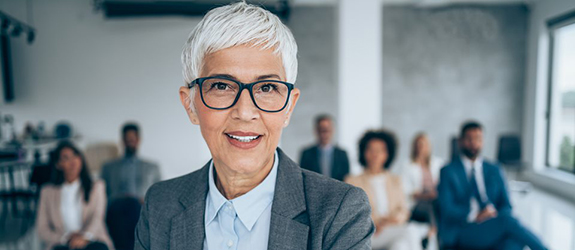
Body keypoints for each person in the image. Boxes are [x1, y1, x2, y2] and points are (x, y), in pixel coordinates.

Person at [134, 2, 374, 250]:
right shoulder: (160, 205)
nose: (245, 112)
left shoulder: (339, 211)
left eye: (267, 88)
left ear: (289, 107)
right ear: (190, 105)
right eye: (221, 86)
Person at [437, 121, 547, 250]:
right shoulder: (448, 171)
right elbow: (447, 209)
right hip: (463, 228)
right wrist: (475, 214)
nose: (473, 143)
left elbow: (506, 205)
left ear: (483, 141)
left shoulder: (494, 169)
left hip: (493, 224)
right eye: (469, 139)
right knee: (508, 222)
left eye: (478, 139)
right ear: (460, 141)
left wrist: (493, 216)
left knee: (514, 243)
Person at [346, 130, 421, 250]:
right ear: (364, 152)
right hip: (369, 233)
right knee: (411, 230)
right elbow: (351, 214)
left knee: (400, 246)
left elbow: (403, 210)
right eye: (371, 150)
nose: (375, 154)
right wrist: (377, 223)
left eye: (380, 150)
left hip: (392, 228)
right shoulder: (352, 181)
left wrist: (390, 221)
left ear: (387, 154)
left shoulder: (395, 180)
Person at [36, 141, 113, 250]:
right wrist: (65, 238)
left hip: (92, 240)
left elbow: (97, 217)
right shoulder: (47, 191)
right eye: (66, 158)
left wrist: (84, 237)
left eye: (75, 155)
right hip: (62, 243)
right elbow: (42, 229)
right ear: (58, 164)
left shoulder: (97, 186)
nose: (73, 161)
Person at [400, 133, 444, 247]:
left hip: (436, 199)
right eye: (418, 145)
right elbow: (407, 191)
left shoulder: (438, 163)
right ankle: (433, 232)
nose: (421, 147)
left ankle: (431, 234)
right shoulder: (408, 165)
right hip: (418, 202)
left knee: (439, 204)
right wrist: (426, 195)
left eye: (424, 145)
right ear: (414, 147)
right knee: (430, 206)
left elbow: (443, 184)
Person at [100, 123, 161, 202]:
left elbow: (159, 194)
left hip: (142, 210)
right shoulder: (108, 167)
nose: (130, 143)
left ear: (138, 140)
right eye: (127, 140)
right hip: (116, 209)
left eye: (132, 140)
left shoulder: (152, 168)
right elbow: (101, 195)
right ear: (122, 141)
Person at [299, 114, 350, 181]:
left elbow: (346, 178)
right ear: (316, 131)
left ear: (332, 130)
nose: (325, 134)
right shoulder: (306, 154)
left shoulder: (342, 154)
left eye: (327, 130)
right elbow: (303, 177)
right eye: (322, 130)